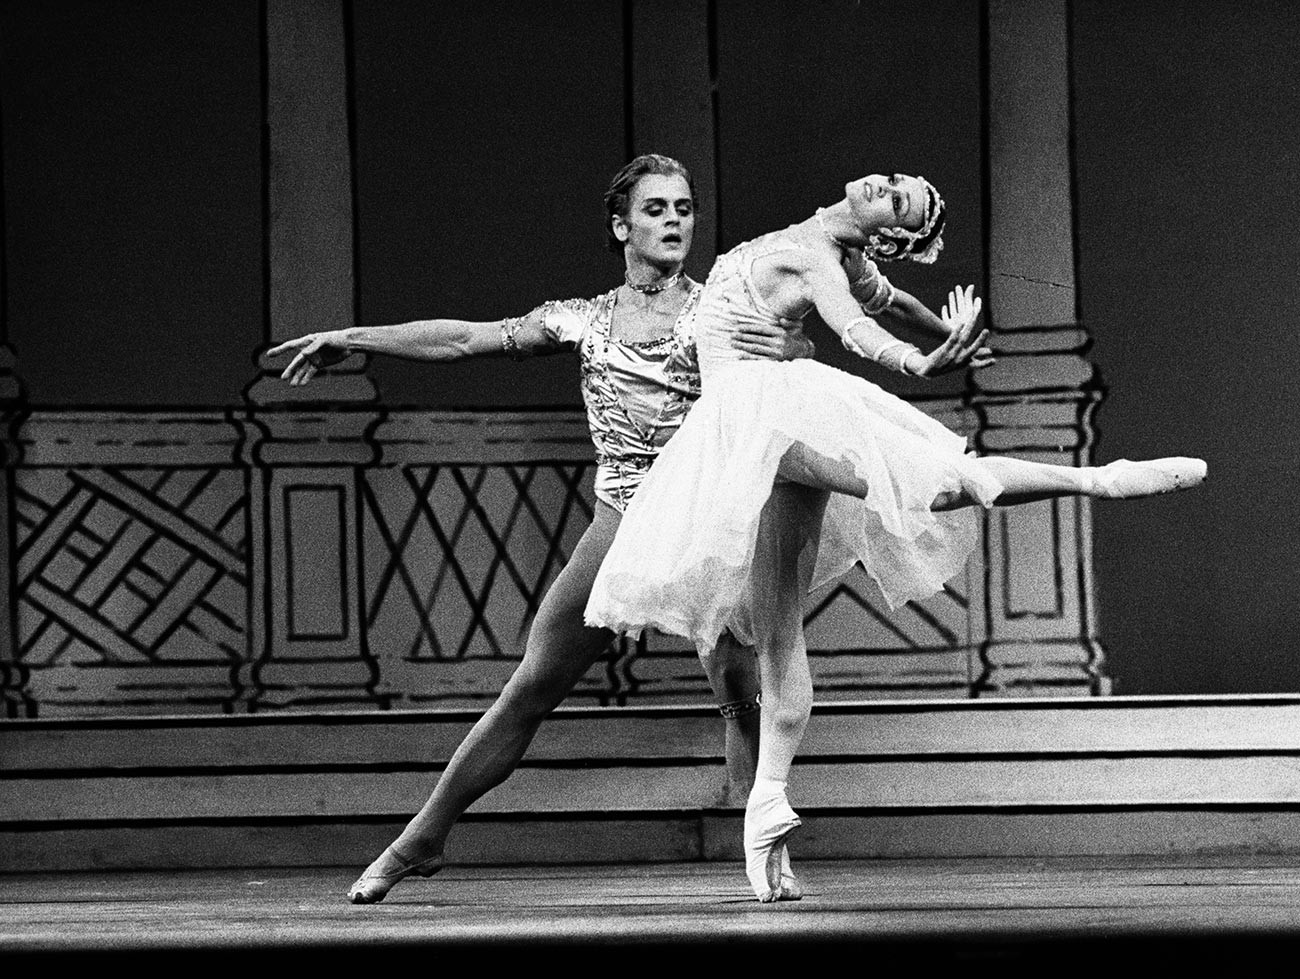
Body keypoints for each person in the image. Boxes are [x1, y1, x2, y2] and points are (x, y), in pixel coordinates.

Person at [584, 171, 1207, 902]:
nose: (886, 184)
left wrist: (921, 360)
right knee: (780, 637)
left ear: (884, 231)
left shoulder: (824, 257)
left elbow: (857, 324)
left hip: (771, 416)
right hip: (743, 423)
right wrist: (944, 334)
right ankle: (766, 806)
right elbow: (895, 301)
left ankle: (1098, 479)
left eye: (896, 199)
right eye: (898, 181)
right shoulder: (834, 249)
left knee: (934, 483)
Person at [267, 155, 814, 904]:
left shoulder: (715, 308)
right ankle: (419, 839)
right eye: (655, 209)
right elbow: (466, 339)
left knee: (739, 686)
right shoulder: (581, 318)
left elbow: (790, 336)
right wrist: (356, 337)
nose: (675, 221)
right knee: (531, 685)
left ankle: (767, 863)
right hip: (622, 521)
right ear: (621, 225)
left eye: (683, 207)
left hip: (704, 520)